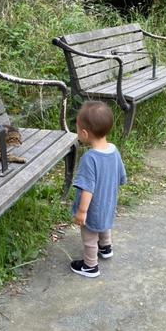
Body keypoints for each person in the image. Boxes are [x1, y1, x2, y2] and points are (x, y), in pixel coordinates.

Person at [70, 101, 127, 278]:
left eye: (77, 129)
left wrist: (82, 212)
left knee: (89, 236)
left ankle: (90, 265)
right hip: (109, 201)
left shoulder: (90, 158)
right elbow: (121, 176)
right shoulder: (114, 150)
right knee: (104, 226)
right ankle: (106, 247)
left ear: (85, 134)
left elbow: (87, 189)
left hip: (92, 208)